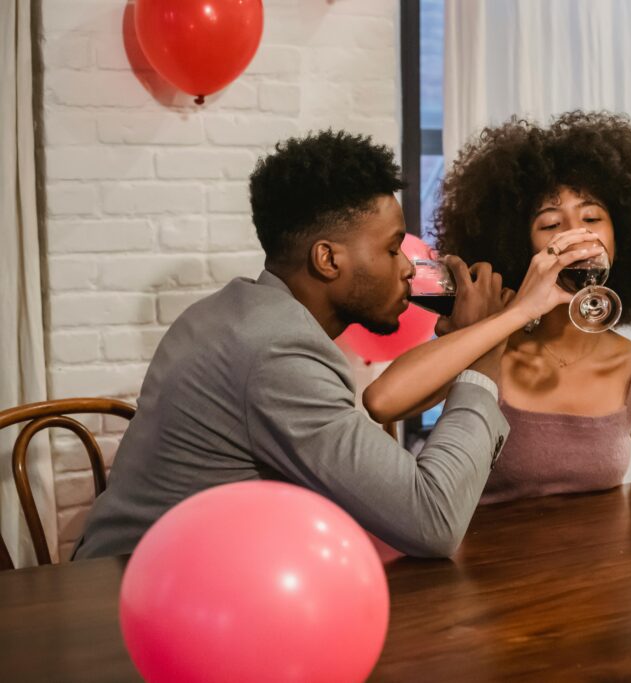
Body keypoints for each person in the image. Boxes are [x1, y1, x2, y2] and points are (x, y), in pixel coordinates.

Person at [74, 129, 596, 559]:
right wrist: (492, 344)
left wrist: (471, 337)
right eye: (393, 248)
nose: (408, 267)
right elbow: (432, 521)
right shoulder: (277, 353)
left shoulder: (231, 312)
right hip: (140, 603)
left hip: (196, 568)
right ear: (328, 260)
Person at [363, 111, 631, 503]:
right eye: (550, 224)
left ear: (622, 235)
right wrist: (518, 313)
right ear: (519, 245)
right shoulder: (491, 350)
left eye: (592, 217)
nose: (576, 234)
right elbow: (382, 401)